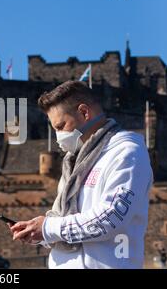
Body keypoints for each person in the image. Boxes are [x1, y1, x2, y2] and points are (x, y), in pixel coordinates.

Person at [9, 81, 153, 269]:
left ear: (85, 113)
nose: (58, 136)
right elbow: (62, 221)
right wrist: (37, 232)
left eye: (61, 126)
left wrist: (47, 228)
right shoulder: (73, 161)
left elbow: (111, 216)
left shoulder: (127, 152)